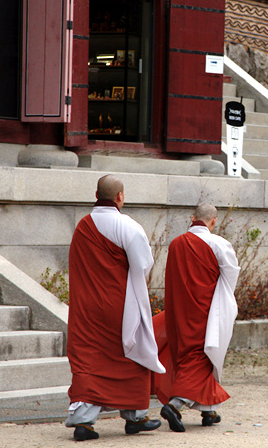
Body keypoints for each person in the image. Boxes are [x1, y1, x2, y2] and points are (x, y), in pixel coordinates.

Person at [64, 174, 165, 441]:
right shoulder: (128, 226)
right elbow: (143, 264)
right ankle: (135, 417)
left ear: (96, 194)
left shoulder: (83, 226)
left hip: (86, 306)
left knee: (88, 359)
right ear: (120, 196)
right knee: (131, 355)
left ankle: (83, 421)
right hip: (119, 305)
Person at [154, 204, 239, 432]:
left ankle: (208, 411)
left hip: (179, 309)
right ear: (213, 221)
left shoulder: (175, 244)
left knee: (187, 354)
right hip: (206, 310)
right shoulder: (219, 243)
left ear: (192, 219)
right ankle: (175, 404)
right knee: (201, 357)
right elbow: (230, 278)